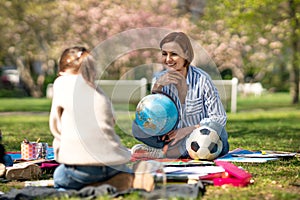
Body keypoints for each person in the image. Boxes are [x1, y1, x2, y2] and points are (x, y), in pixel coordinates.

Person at [132, 32, 229, 159]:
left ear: (186, 55)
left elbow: (219, 117)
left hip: (201, 136)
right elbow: (153, 115)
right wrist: (157, 88)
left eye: (174, 54)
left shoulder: (202, 79)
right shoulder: (159, 78)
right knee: (138, 126)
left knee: (214, 129)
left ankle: (164, 153)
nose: (168, 59)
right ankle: (170, 150)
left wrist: (186, 130)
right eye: (164, 54)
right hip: (172, 139)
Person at [49, 46, 134, 190]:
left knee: (59, 176)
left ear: (62, 71)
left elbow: (56, 127)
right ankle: (109, 183)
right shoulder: (97, 89)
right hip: (114, 164)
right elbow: (112, 120)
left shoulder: (61, 83)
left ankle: (87, 187)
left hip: (81, 168)